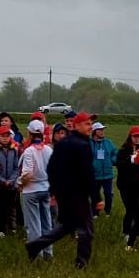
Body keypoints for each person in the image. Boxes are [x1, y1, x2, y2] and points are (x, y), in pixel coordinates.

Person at [28, 111, 96, 267]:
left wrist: (55, 191)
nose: (90, 127)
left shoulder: (63, 143)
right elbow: (88, 174)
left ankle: (35, 245)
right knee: (87, 230)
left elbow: (51, 168)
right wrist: (96, 198)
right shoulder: (83, 145)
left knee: (69, 226)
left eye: (91, 124)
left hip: (65, 195)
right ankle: (81, 265)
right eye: (87, 124)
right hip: (78, 195)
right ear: (77, 125)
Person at [17, 119, 54, 258]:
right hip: (46, 188)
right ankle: (48, 253)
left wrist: (19, 183)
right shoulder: (49, 150)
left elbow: (28, 173)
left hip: (31, 190)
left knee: (33, 225)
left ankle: (35, 255)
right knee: (46, 223)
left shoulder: (29, 151)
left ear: (30, 134)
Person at [0, 125, 20, 235]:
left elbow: (16, 167)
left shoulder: (14, 149)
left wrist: (11, 180)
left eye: (7, 136)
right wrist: (2, 180)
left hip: (11, 184)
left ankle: (9, 228)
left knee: (10, 207)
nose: (5, 138)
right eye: (3, 136)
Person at [116, 126, 139, 228]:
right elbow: (119, 165)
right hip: (125, 185)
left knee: (138, 208)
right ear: (130, 137)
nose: (137, 138)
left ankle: (136, 231)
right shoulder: (123, 150)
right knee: (130, 208)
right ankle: (126, 232)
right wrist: (131, 159)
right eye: (135, 136)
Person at [90, 122, 118, 215]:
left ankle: (108, 212)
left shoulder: (108, 142)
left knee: (108, 194)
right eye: (100, 130)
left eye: (103, 130)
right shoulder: (89, 144)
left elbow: (115, 153)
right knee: (95, 194)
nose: (102, 132)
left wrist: (111, 161)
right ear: (94, 132)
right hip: (94, 175)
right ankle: (95, 213)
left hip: (107, 174)